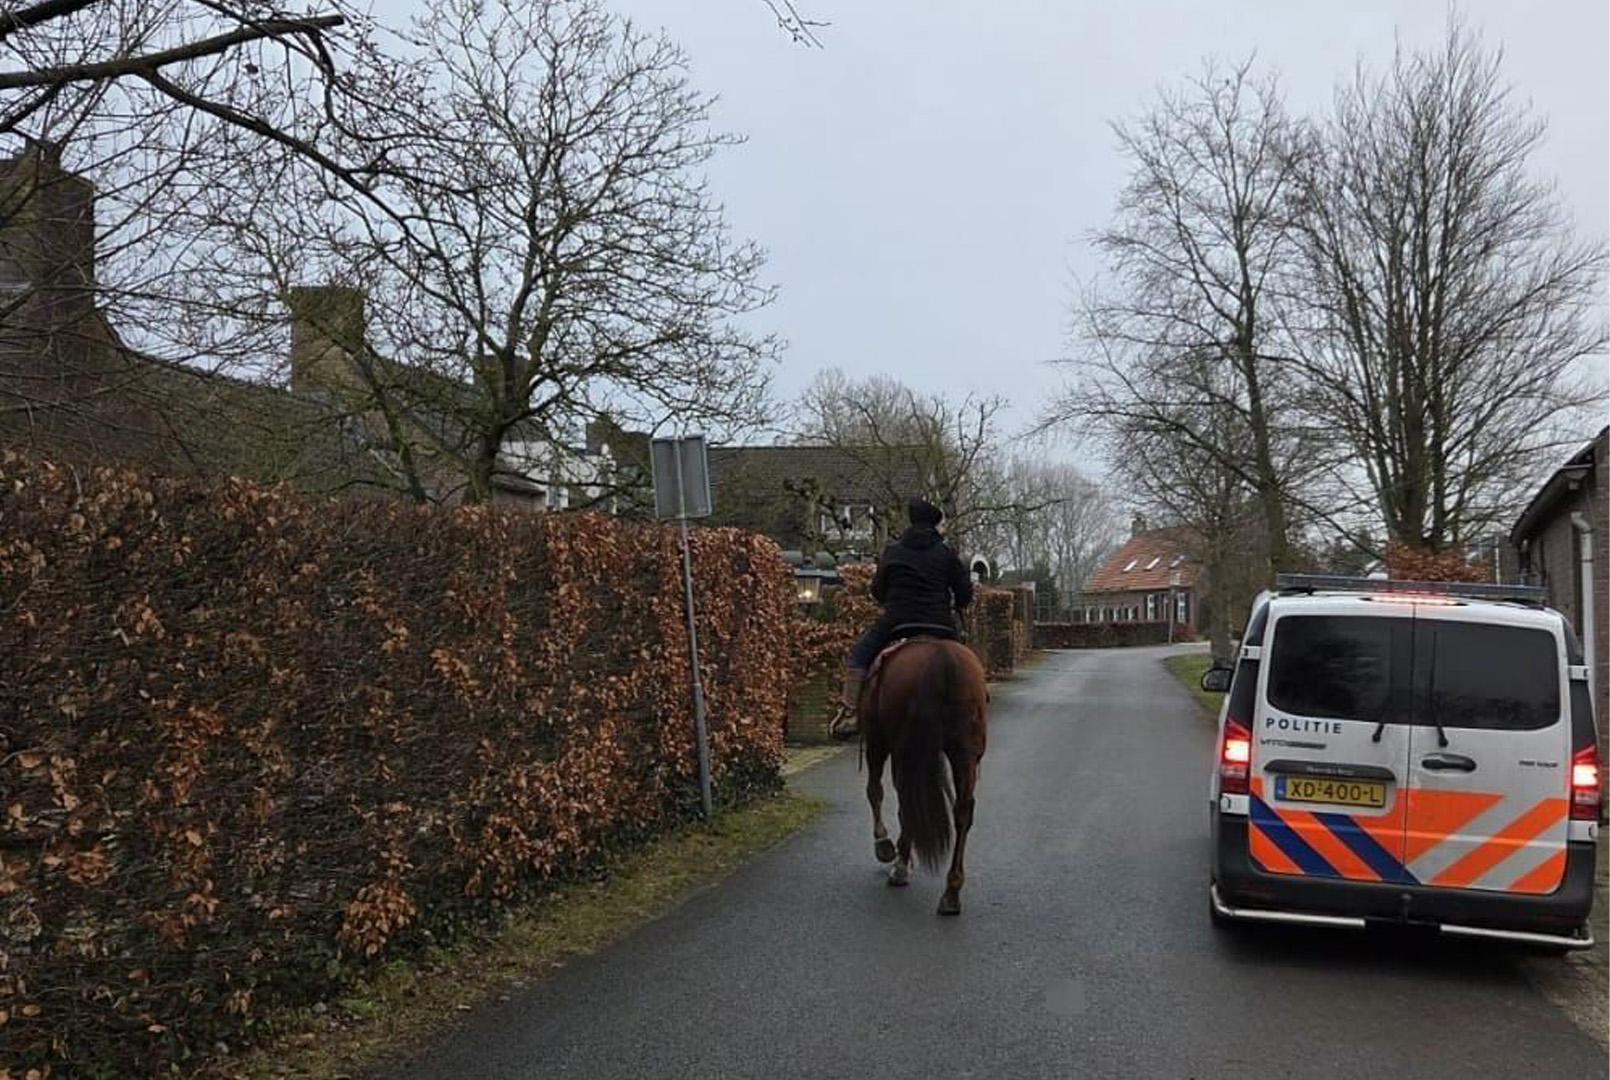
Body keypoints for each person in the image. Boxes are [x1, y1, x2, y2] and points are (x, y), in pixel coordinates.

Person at [828, 498, 974, 740]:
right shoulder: (947, 553)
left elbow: (877, 590)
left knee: (859, 656)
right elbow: (964, 594)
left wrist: (893, 599)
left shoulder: (893, 551)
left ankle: (850, 713)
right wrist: (957, 603)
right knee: (966, 662)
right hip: (939, 622)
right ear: (935, 524)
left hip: (897, 621)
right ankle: (973, 706)